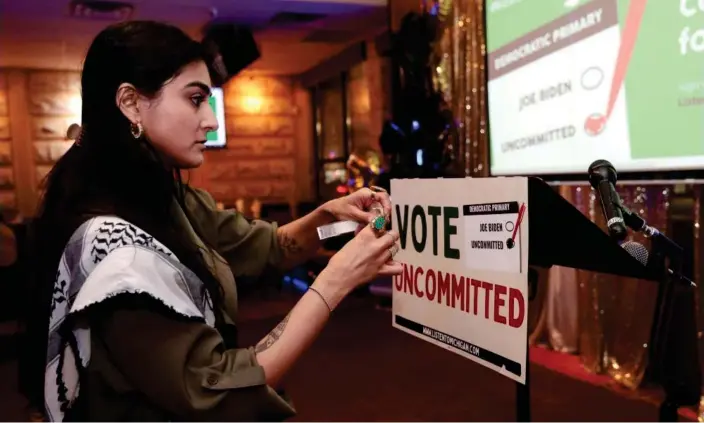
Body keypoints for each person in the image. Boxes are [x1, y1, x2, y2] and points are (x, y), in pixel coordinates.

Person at [23, 20, 402, 422]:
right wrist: (335, 280)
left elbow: (263, 246)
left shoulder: (160, 194)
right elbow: (214, 390)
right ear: (131, 103)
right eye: (195, 99)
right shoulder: (114, 249)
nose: (212, 120)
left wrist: (332, 220)